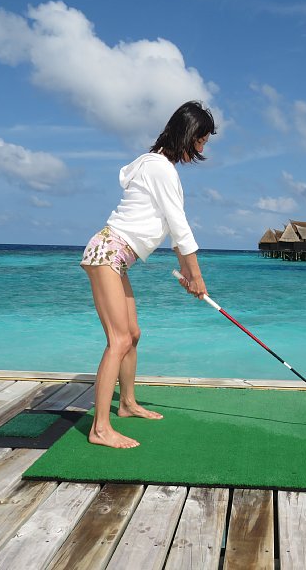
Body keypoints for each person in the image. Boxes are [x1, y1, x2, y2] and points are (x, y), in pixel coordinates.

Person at [79, 100, 215, 449]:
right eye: (200, 140)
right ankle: (99, 429)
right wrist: (197, 278)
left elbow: (171, 232)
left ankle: (126, 404)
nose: (201, 148)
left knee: (133, 334)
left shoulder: (151, 164)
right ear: (187, 134)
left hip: (114, 256)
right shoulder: (161, 169)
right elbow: (180, 228)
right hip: (107, 252)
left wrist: (188, 275)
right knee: (119, 340)